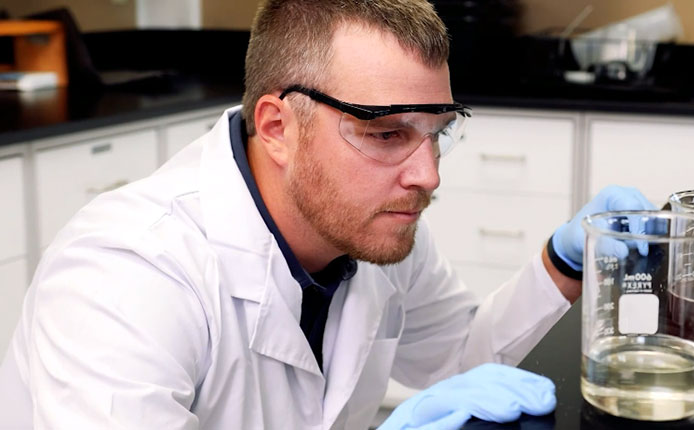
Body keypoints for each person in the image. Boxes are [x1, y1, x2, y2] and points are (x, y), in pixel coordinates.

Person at [0, 0, 656, 428]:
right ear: (278, 127)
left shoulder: (371, 231)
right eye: (385, 134)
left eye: (437, 133)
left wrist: (561, 265)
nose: (427, 176)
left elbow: (459, 367)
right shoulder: (125, 278)